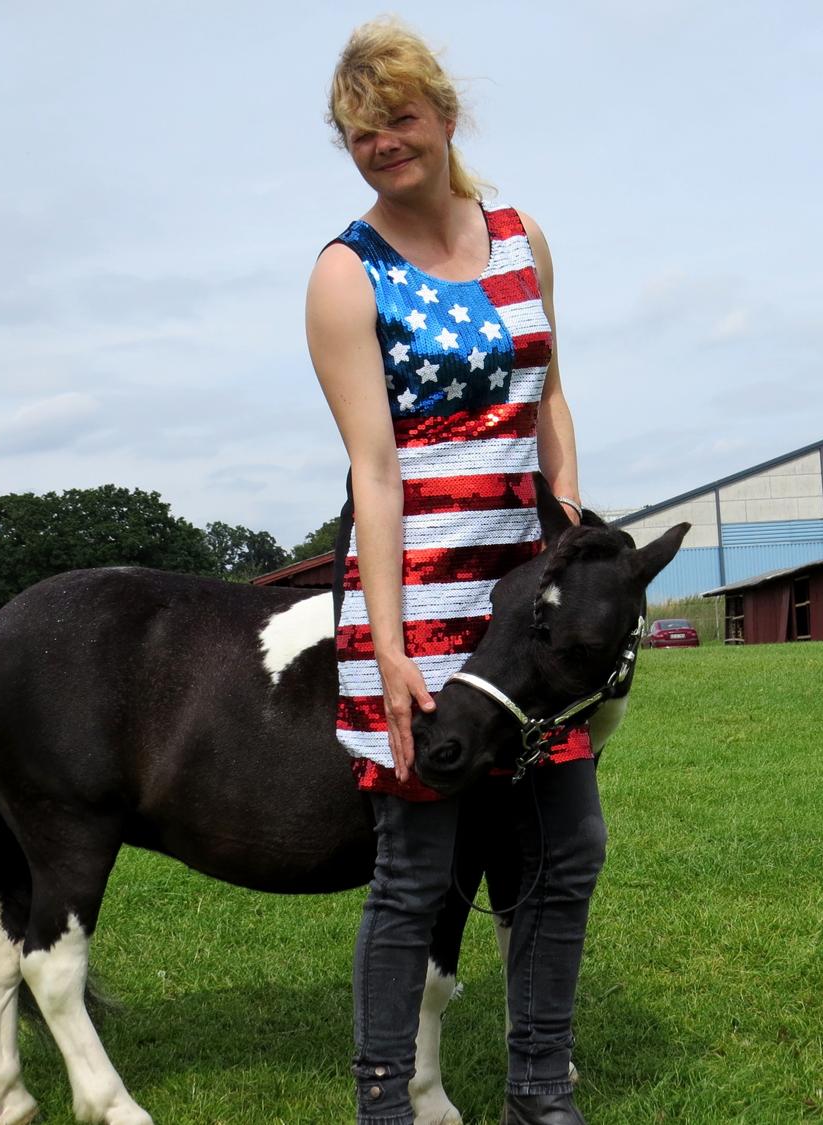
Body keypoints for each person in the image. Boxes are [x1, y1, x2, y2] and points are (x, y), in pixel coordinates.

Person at [305, 18, 605, 1125]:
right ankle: (384, 1107)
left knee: (566, 850)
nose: (383, 143)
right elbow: (373, 474)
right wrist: (384, 646)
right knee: (416, 875)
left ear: (442, 113)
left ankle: (541, 1090)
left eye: (398, 118)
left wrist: (570, 540)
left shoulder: (523, 236)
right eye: (359, 132)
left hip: (531, 606)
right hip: (426, 606)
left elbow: (551, 397)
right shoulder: (347, 275)